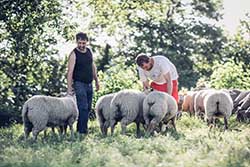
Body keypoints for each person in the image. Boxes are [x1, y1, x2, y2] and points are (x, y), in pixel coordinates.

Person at [67, 32, 99, 136]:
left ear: (87, 42)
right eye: (79, 43)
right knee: (83, 107)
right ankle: (82, 131)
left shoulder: (89, 51)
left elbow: (93, 66)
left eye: (83, 43)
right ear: (76, 42)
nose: (81, 45)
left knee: (88, 108)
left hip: (89, 83)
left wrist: (97, 81)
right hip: (79, 83)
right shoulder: (73, 54)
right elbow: (70, 72)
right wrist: (69, 88)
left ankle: (81, 128)